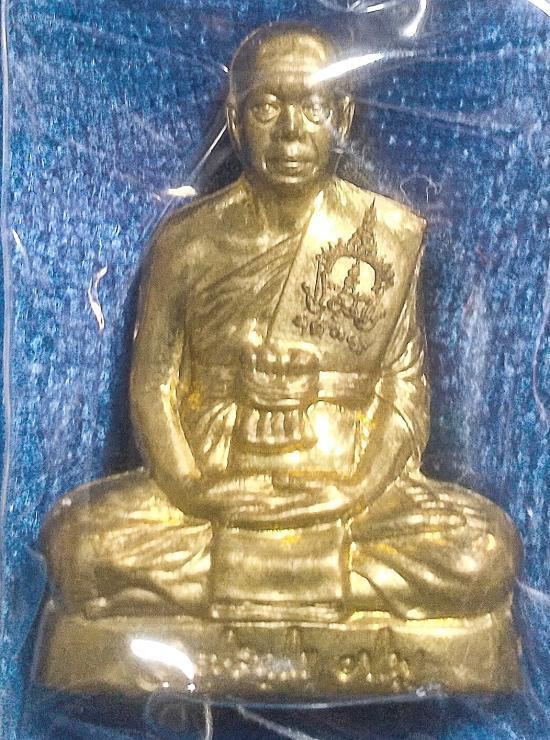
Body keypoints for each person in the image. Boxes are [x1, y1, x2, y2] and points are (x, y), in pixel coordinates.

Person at [43, 23, 520, 625]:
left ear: (342, 117)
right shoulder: (186, 241)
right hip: (217, 486)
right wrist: (194, 489)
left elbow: (403, 393)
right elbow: (154, 385)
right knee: (76, 545)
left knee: (483, 553)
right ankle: (330, 593)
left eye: (313, 106)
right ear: (236, 119)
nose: (292, 130)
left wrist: (355, 489)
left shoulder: (388, 235)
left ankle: (223, 594)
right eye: (268, 106)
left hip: (349, 486)